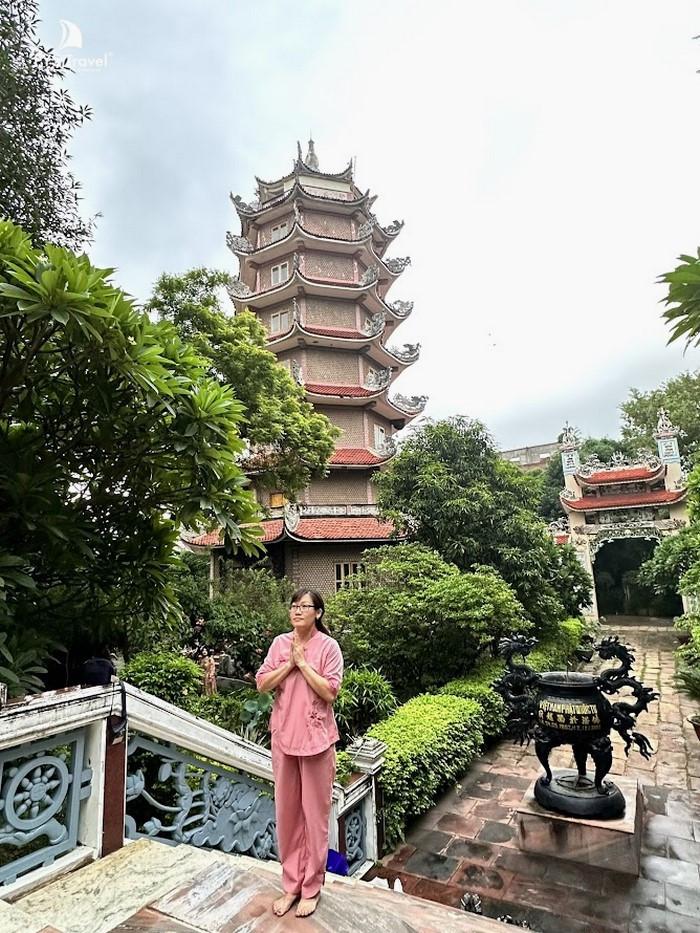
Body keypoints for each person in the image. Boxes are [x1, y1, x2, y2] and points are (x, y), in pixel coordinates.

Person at [256, 588, 343, 919]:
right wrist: (289, 663)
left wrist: (303, 663)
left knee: (314, 816)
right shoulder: (280, 644)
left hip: (317, 741)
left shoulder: (328, 647)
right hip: (283, 738)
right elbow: (263, 683)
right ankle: (291, 884)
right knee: (288, 814)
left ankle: (311, 887)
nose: (297, 611)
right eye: (294, 606)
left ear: (318, 613)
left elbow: (330, 691)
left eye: (304, 606)